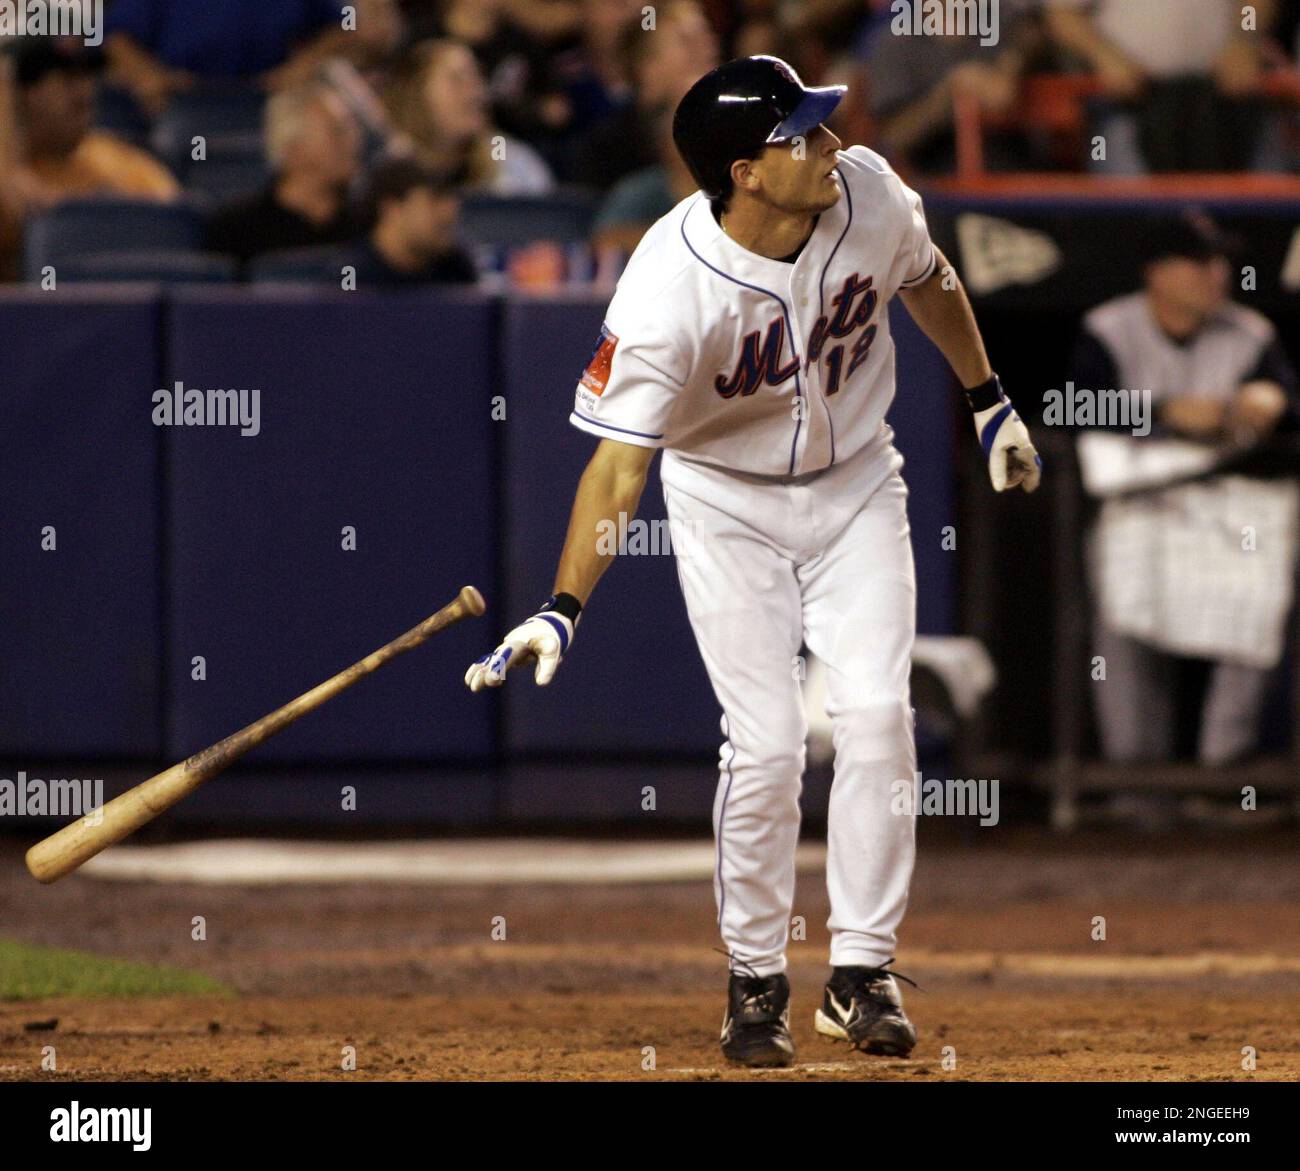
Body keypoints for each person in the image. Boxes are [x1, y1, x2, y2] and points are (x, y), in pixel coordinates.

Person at [463, 55, 1041, 1068]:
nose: (828, 144)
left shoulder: (868, 191)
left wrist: (988, 397)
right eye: (799, 135)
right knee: (767, 745)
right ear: (742, 170)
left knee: (874, 717)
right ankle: (755, 981)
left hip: (859, 480)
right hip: (723, 500)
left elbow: (930, 279)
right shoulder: (666, 286)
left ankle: (861, 975)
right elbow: (616, 469)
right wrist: (562, 605)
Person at [1072, 212, 1299, 765]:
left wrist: (1277, 406)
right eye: (1199, 262)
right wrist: (1163, 412)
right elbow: (1069, 407)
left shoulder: (1250, 333)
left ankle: (1225, 779)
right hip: (1141, 508)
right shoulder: (1110, 328)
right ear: (1158, 272)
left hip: (1227, 513)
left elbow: (1287, 413)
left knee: (1258, 599)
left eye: (1220, 261)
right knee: (1124, 620)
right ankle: (1137, 790)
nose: (1216, 273)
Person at [0, 37, 180, 280]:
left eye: (88, 73)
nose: (84, 91)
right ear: (20, 90)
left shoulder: (120, 161)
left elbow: (175, 230)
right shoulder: (8, 170)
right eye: (66, 76)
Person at [1045, 0, 1279, 172]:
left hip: (1226, 105)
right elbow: (1061, 15)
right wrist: (1103, 55)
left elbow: (1255, 5)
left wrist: (1245, 37)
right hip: (1127, 109)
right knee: (1122, 211)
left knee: (1263, 203)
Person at [204, 82, 362, 267]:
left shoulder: (368, 226)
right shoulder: (236, 231)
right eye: (337, 131)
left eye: (351, 130)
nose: (353, 142)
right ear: (293, 149)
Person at [572, 0, 719, 191]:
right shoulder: (608, 150)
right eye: (687, 41)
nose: (707, 48)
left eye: (707, 37)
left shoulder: (747, 127)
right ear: (647, 68)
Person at [382, 39, 553, 194]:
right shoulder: (388, 162)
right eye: (457, 79)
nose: (478, 93)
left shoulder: (504, 156)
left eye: (477, 78)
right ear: (416, 93)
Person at [337, 157, 477, 285]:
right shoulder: (350, 278)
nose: (448, 213)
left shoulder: (456, 271)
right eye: (433, 200)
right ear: (391, 209)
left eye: (450, 201)